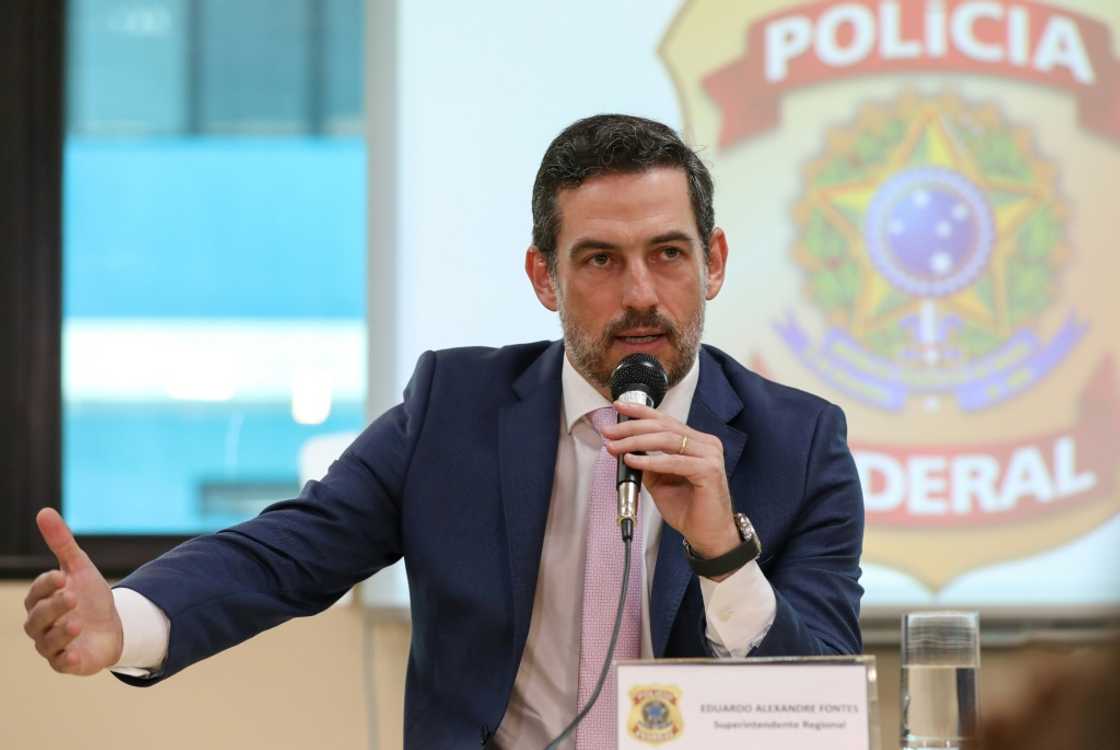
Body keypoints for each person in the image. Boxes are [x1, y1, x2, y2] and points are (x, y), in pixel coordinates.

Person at [22, 114, 864, 748]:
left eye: (669, 254)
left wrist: (723, 553)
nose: (641, 292)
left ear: (714, 261)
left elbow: (822, 705)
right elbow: (292, 552)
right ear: (544, 276)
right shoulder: (455, 407)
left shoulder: (803, 444)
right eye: (601, 259)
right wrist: (126, 620)